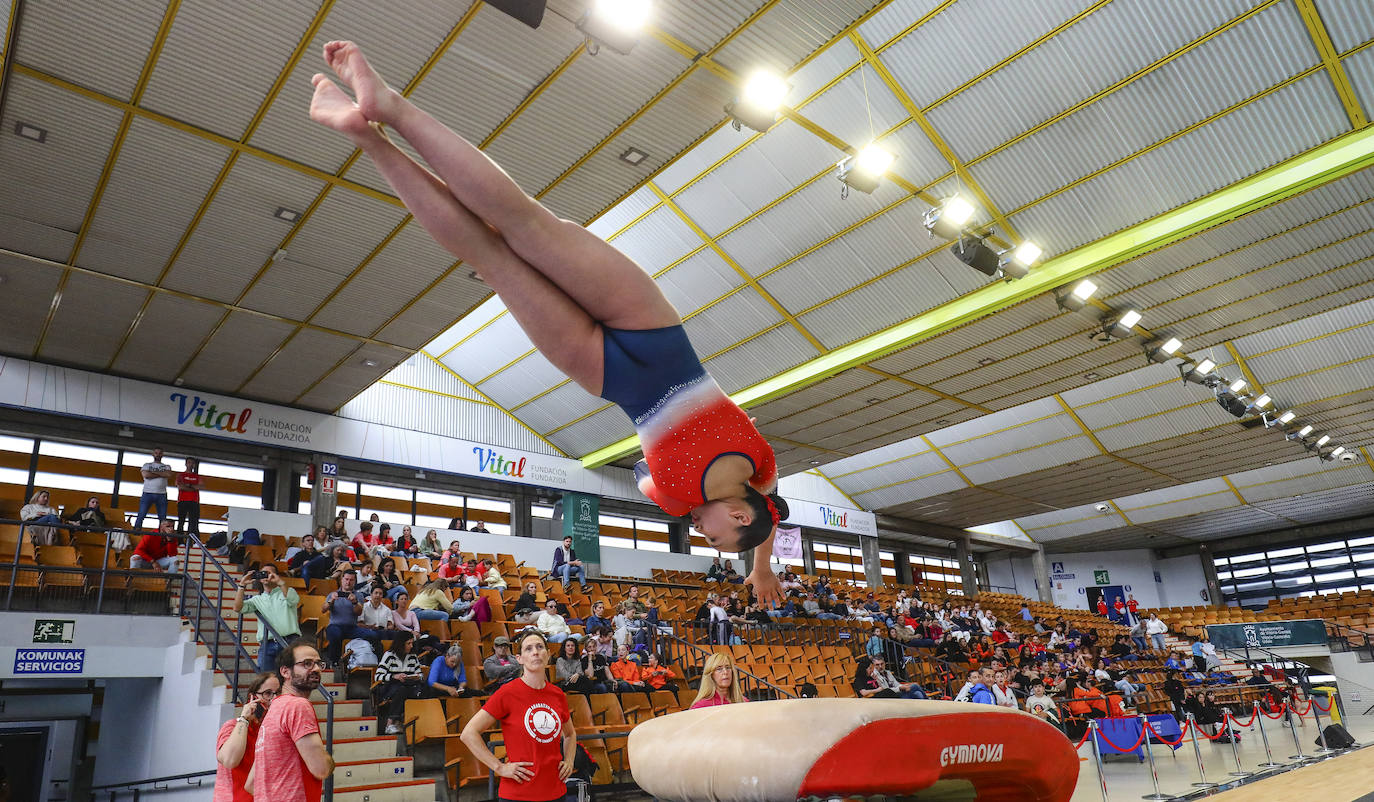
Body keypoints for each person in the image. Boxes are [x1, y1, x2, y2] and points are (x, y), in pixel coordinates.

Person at [309, 42, 787, 603]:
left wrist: (758, 566)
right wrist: (760, 565)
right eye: (721, 539)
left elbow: (764, 508)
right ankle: (380, 117)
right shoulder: (721, 484)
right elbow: (749, 508)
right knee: (513, 233)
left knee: (502, 243)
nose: (707, 539)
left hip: (628, 358)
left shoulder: (722, 481)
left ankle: (374, 126)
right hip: (633, 345)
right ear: (736, 512)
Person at [460, 631, 575, 802]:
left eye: (539, 647)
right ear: (519, 658)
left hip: (556, 792)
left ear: (548, 654)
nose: (535, 652)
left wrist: (569, 761)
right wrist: (499, 767)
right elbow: (468, 734)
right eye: (528, 649)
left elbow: (570, 734)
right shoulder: (507, 692)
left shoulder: (557, 694)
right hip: (518, 794)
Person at [214, 671, 280, 802]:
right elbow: (229, 760)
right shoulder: (232, 726)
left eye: (278, 694)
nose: (274, 699)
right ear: (252, 697)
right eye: (268, 694)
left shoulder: (274, 731)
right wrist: (244, 718)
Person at [235, 564, 302, 672]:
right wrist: (242, 585)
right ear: (259, 579)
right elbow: (237, 608)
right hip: (267, 644)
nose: (266, 576)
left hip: (289, 641)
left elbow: (293, 600)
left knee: (291, 678)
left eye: (269, 573)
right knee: (266, 679)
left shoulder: (287, 591)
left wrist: (280, 582)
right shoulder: (257, 599)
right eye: (263, 573)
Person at [373, 631, 429, 734]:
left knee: (424, 690)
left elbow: (420, 675)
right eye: (408, 643)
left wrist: (416, 677)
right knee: (402, 690)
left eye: (412, 643)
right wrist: (395, 676)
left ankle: (421, 726)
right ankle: (390, 723)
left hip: (409, 685)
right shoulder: (389, 655)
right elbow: (378, 677)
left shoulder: (413, 656)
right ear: (401, 644)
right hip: (391, 687)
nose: (411, 646)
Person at [323, 573, 375, 666]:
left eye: (351, 580)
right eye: (346, 579)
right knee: (335, 634)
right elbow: (323, 609)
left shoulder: (358, 595)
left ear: (354, 582)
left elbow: (358, 612)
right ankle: (334, 661)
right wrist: (332, 600)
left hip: (352, 627)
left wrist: (354, 602)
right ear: (341, 580)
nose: (348, 582)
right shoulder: (332, 594)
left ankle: (373, 661)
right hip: (335, 625)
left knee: (372, 635)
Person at [134, 447, 174, 530]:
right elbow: (146, 475)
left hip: (162, 494)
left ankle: (162, 533)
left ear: (162, 455)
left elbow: (168, 475)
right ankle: (136, 530)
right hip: (147, 493)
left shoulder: (167, 466)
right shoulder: (147, 465)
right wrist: (161, 474)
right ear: (153, 454)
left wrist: (152, 473)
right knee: (141, 514)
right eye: (156, 453)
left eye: (160, 453)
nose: (158, 455)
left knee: (162, 517)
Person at [174, 456, 202, 536]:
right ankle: (180, 541)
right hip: (182, 500)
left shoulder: (197, 476)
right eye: (189, 462)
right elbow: (179, 486)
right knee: (181, 521)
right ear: (186, 464)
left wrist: (187, 486)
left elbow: (201, 486)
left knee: (194, 522)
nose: (191, 464)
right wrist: (193, 487)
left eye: (192, 463)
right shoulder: (180, 475)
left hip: (194, 501)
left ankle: (193, 541)